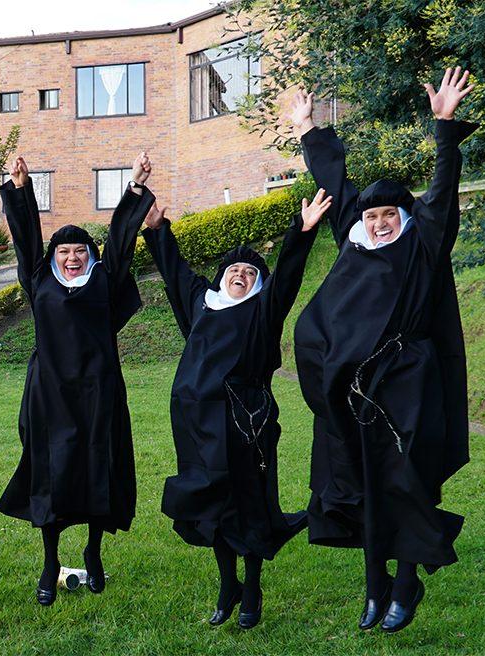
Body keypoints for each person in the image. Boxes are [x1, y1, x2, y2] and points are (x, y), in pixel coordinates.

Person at [290, 67, 475, 633]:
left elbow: (440, 193)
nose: (376, 222)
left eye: (386, 215)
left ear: (403, 217)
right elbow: (336, 183)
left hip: (412, 382)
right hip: (359, 387)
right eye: (370, 216)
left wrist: (443, 126)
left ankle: (404, 586)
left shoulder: (422, 242)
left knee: (408, 481)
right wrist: (307, 131)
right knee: (366, 482)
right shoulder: (354, 239)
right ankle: (375, 589)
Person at [144, 186, 332, 628]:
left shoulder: (262, 311)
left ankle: (251, 588)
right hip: (196, 423)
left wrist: (300, 234)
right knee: (213, 506)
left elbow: (287, 278)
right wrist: (157, 231)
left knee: (248, 504)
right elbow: (174, 271)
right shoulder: (201, 305)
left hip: (247, 421)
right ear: (222, 275)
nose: (242, 275)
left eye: (251, 272)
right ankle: (228, 584)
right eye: (235, 269)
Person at [0, 154, 155, 605]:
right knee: (51, 474)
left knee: (97, 469)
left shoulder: (104, 280)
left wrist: (135, 187)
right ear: (54, 257)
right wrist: (20, 189)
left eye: (78, 250)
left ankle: (93, 550)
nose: (70, 257)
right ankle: (50, 562)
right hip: (49, 394)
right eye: (63, 251)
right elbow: (27, 239)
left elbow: (121, 241)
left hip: (99, 391)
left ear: (89, 255)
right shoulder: (38, 279)